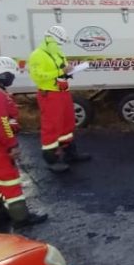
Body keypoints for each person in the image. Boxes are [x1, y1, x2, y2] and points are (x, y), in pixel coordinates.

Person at [0, 56, 48, 232]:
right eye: (11, 74)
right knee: (8, 180)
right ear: (3, 74)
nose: (12, 77)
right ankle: (21, 218)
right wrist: (11, 144)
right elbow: (2, 123)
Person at [27, 24, 91, 173]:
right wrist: (59, 71)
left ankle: (70, 153)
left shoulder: (57, 52)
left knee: (67, 124)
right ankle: (51, 159)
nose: (60, 45)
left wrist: (69, 71)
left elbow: (62, 69)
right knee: (52, 126)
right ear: (51, 39)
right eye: (58, 42)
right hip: (49, 94)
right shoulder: (38, 54)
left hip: (62, 92)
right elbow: (37, 76)